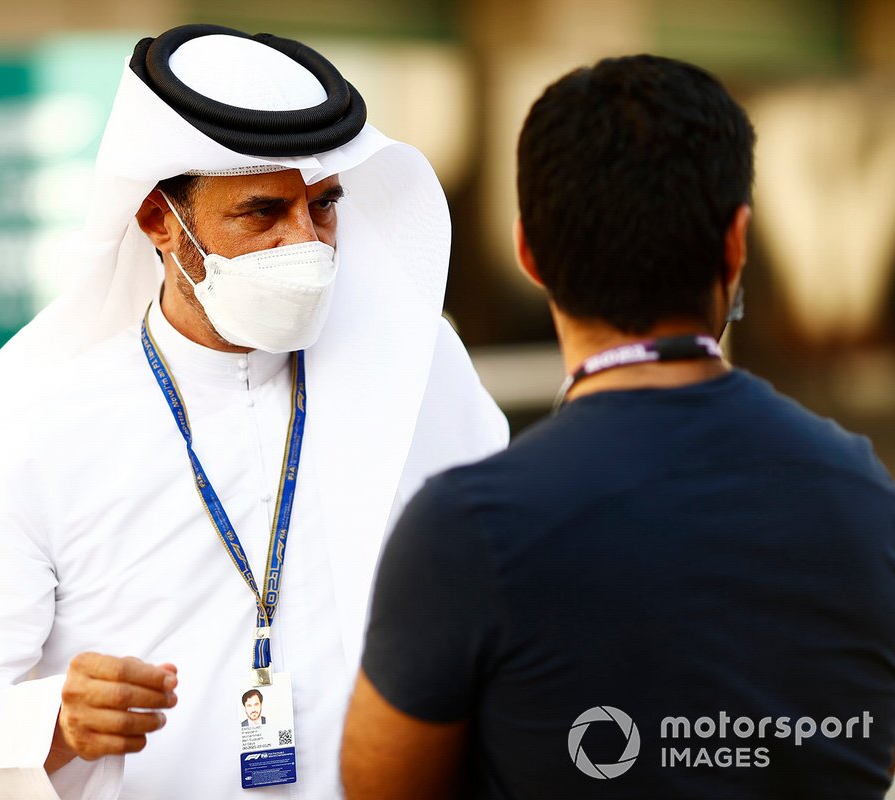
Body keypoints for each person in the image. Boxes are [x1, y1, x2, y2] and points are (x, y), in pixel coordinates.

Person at [0, 23, 509, 800]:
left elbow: (510, 599)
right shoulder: (40, 423)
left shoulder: (422, 372)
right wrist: (55, 721)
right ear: (158, 220)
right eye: (260, 214)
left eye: (323, 208)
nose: (307, 247)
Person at [341, 54, 895, 799]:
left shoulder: (467, 530)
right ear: (736, 243)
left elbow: (383, 787)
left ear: (528, 251)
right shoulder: (865, 494)